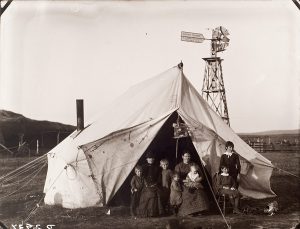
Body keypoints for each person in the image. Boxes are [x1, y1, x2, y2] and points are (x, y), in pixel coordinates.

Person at [138, 151, 164, 217]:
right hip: (145, 185)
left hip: (155, 185)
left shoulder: (157, 168)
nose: (151, 159)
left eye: (152, 158)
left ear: (154, 159)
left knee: (155, 193)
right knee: (149, 192)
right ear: (146, 159)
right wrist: (145, 184)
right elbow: (141, 177)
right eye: (149, 158)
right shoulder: (143, 167)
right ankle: (145, 213)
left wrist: (155, 184)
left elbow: (159, 178)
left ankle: (153, 213)